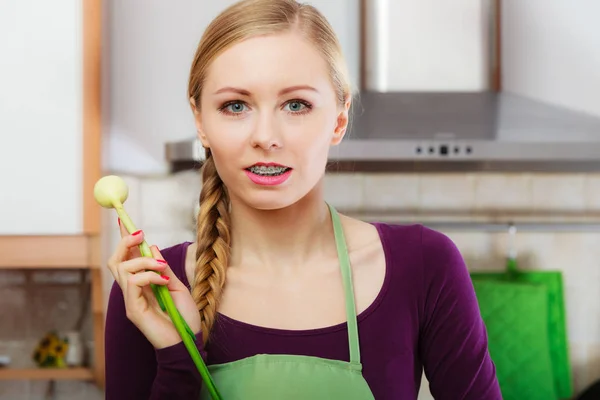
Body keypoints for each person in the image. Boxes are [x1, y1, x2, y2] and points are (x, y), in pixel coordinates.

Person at [104, 0, 502, 398]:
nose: (265, 135)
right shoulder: (150, 290)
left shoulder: (425, 264)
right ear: (200, 122)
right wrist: (178, 355)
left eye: (296, 105)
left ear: (339, 119)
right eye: (235, 106)